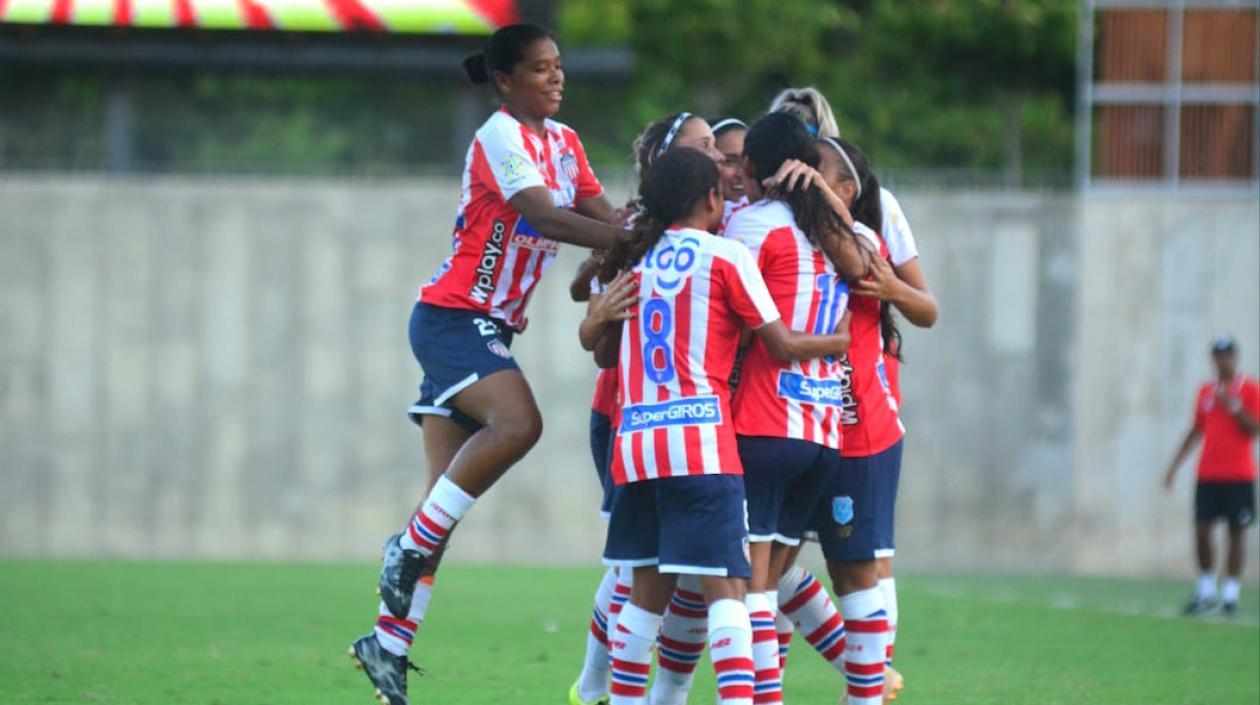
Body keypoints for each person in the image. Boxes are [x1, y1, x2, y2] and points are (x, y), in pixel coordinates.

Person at [347, 24, 627, 705]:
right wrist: (626, 236)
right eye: (539, 69)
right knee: (518, 424)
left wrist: (645, 229)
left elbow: (601, 212)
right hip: (452, 319)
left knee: (443, 502)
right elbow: (546, 217)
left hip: (488, 327)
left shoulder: (565, 143)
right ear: (505, 81)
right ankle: (405, 548)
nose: (556, 78)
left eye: (559, 66)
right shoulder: (500, 136)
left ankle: (386, 643)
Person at [597, 147, 852, 705]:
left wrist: (592, 322)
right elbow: (780, 343)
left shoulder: (635, 262)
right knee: (730, 592)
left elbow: (603, 350)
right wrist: (838, 340)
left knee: (643, 598)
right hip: (701, 446)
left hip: (637, 447)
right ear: (712, 198)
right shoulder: (725, 256)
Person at [568, 112, 726, 705]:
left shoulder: (717, 226)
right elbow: (593, 318)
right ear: (670, 163)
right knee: (648, 566)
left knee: (680, 570)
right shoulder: (641, 230)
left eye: (723, 148)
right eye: (706, 147)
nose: (719, 157)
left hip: (687, 424)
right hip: (631, 416)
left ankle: (657, 691)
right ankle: (597, 683)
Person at [726, 112, 866, 705]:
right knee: (776, 577)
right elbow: (865, 270)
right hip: (821, 433)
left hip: (763, 423)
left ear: (755, 168)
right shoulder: (837, 238)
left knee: (753, 588)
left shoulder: (752, 226)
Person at [1163, 336, 1259, 616]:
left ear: (1235, 357)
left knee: (1236, 533)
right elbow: (1196, 430)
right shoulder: (1206, 391)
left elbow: (1254, 429)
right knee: (1202, 531)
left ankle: (1230, 595)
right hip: (1208, 474)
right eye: (1218, 355)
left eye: (1227, 355)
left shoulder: (1249, 389)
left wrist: (1233, 405)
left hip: (1239, 475)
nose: (1223, 360)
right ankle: (1205, 591)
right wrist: (1173, 467)